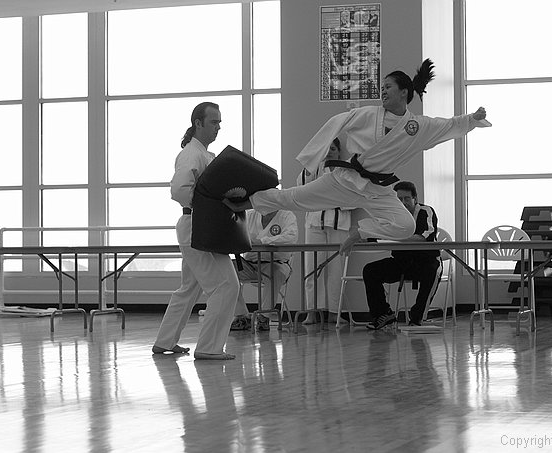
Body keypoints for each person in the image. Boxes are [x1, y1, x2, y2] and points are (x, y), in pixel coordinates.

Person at [223, 59, 488, 257]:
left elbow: (447, 125)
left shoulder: (416, 127)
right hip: (345, 180)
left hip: (378, 190)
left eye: (388, 87)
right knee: (294, 198)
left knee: (406, 225)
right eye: (381, 87)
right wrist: (314, 157)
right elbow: (335, 122)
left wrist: (471, 119)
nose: (382, 92)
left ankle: (360, 232)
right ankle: (244, 203)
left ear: (404, 92)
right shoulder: (368, 115)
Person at [152, 102, 239, 360]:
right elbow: (179, 191)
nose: (218, 127)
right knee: (226, 286)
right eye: (214, 122)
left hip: (202, 225)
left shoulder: (204, 155)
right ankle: (209, 347)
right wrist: (211, 204)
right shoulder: (192, 154)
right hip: (197, 226)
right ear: (198, 123)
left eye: (220, 122)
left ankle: (165, 340)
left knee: (189, 288)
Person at [362, 181, 441, 330]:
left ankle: (417, 318)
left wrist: (392, 236)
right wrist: (362, 237)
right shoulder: (391, 215)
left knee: (431, 271)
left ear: (415, 199)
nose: (403, 203)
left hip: (427, 261)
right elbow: (377, 232)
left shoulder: (426, 211)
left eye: (407, 198)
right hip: (402, 262)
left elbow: (422, 237)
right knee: (370, 270)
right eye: (399, 199)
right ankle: (383, 314)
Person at [297, 139, 352, 324]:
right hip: (314, 223)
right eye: (326, 148)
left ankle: (335, 313)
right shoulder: (315, 169)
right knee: (312, 268)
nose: (329, 152)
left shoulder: (347, 170)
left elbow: (353, 196)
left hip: (339, 224)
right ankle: (312, 312)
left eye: (333, 149)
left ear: (339, 152)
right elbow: (302, 188)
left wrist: (327, 198)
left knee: (336, 271)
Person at [230, 209, 298, 331]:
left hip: (276, 262)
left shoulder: (287, 216)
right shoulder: (248, 215)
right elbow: (233, 233)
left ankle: (264, 317)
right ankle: (241, 316)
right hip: (250, 264)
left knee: (276, 272)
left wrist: (262, 241)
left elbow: (291, 237)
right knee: (227, 271)